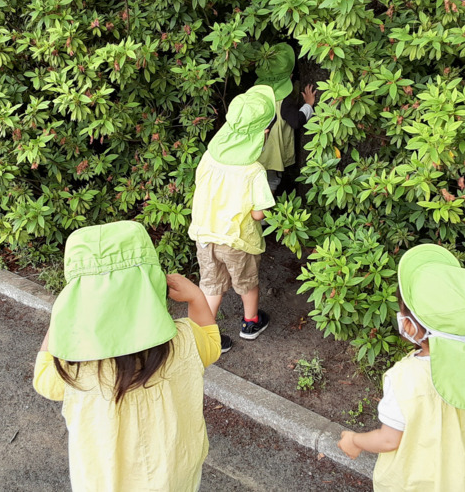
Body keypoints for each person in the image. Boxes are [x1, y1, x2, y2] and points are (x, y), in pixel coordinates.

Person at [33, 221, 221, 492]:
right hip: (174, 479)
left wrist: (62, 318)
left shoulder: (73, 366)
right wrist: (196, 298)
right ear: (152, 279)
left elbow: (43, 378)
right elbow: (212, 342)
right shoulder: (183, 341)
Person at [337, 244, 465, 492]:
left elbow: (388, 439)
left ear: (412, 327)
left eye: (403, 310)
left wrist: (354, 440)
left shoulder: (405, 378)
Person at [188, 84, 276, 353]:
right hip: (236, 239)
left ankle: (204, 336)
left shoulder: (210, 156)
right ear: (264, 133)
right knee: (246, 282)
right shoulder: (254, 170)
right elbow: (259, 213)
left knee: (211, 284)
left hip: (204, 234)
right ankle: (250, 322)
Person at [255, 43, 316, 194]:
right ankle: (263, 216)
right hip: (272, 155)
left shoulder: (256, 95)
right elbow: (296, 121)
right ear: (289, 76)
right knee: (270, 184)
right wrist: (308, 105)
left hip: (254, 151)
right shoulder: (285, 101)